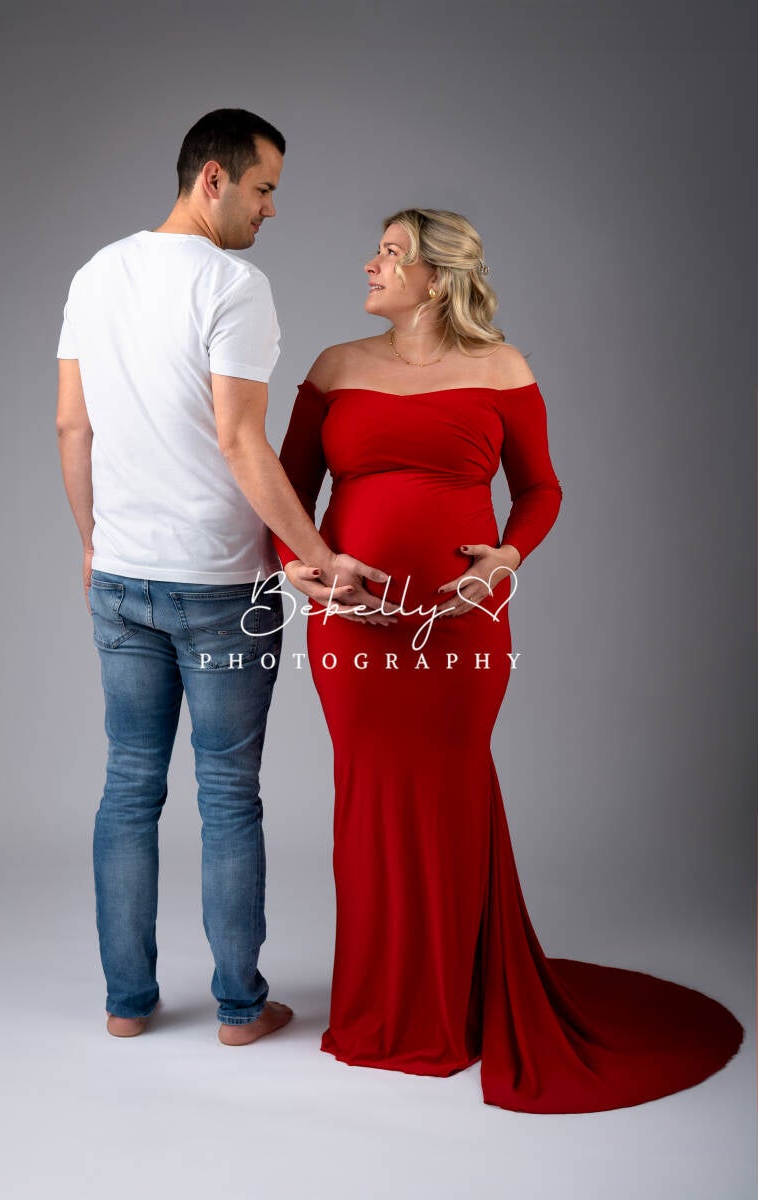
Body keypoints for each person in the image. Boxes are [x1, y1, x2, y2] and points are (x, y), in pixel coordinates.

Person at [270, 207, 744, 1112]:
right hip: (353, 622)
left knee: (452, 793)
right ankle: (379, 1007)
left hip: (462, 626)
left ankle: (451, 1002)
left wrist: (506, 560)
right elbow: (287, 490)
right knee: (366, 797)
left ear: (436, 277)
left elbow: (540, 487)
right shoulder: (334, 368)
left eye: (391, 253)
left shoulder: (503, 369)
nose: (370, 264)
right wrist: (298, 567)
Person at [55, 108, 385, 1044]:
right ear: (214, 178)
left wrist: (92, 540)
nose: (271, 209)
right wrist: (317, 557)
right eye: (264, 188)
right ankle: (241, 1009)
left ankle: (127, 1004)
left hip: (122, 577)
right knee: (229, 795)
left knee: (128, 787)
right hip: (222, 586)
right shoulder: (235, 284)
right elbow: (243, 442)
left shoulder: (94, 272)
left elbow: (72, 425)